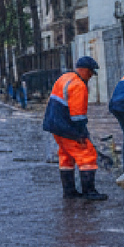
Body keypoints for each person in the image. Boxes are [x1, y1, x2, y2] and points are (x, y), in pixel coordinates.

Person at [42, 55, 107, 201]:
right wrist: (81, 134)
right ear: (83, 70)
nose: (91, 76)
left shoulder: (65, 78)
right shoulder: (78, 85)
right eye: (90, 72)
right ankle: (89, 191)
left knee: (66, 157)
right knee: (87, 155)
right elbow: (78, 116)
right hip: (67, 128)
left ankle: (69, 191)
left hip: (55, 126)